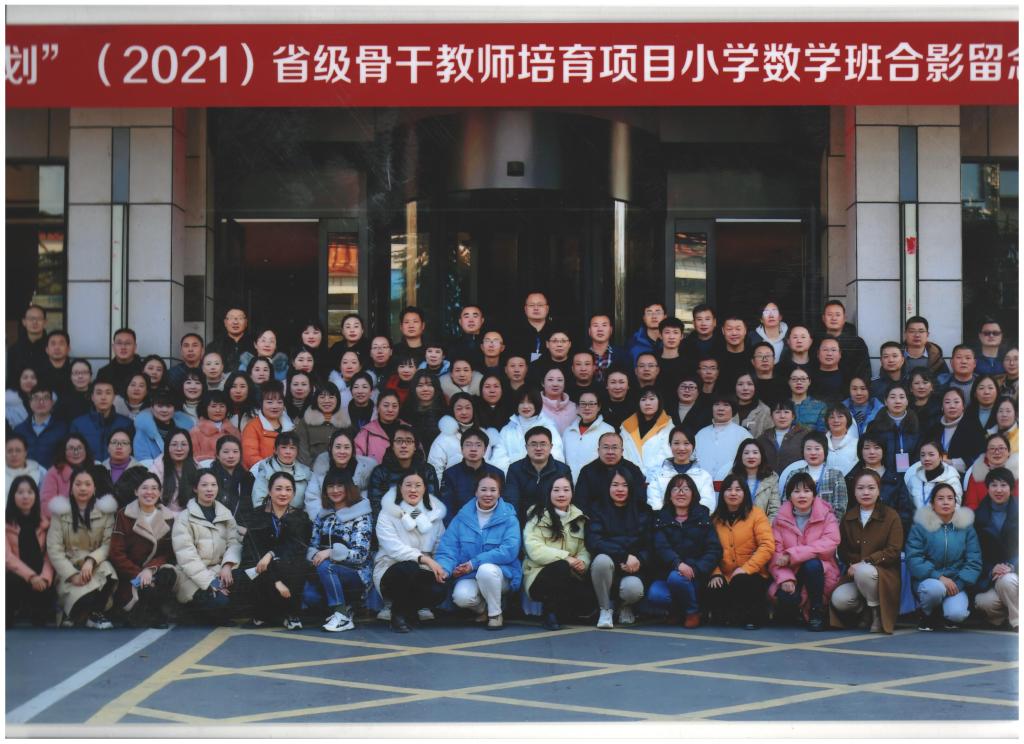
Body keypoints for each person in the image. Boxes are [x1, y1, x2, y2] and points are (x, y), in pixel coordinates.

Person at [435, 472, 522, 630]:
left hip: (501, 575)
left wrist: (473, 563)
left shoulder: (510, 518)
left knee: (485, 569)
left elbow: (509, 551)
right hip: (469, 575)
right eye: (483, 489)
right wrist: (445, 570)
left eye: (493, 490)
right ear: (476, 492)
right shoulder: (462, 518)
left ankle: (495, 615)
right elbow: (448, 548)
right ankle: (483, 609)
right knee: (461, 597)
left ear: (499, 493)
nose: (488, 494)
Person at [830, 469, 905, 634]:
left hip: (883, 573)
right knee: (839, 600)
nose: (866, 492)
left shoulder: (891, 516)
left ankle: (876, 613)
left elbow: (893, 550)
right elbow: (842, 550)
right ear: (854, 491)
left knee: (864, 571)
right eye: (860, 488)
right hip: (856, 573)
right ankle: (865, 610)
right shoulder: (848, 517)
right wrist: (853, 563)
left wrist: (866, 561)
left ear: (879, 490)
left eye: (871, 488)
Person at [374, 471, 449, 633]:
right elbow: (393, 548)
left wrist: (441, 568)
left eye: (418, 485)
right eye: (408, 485)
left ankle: (411, 609)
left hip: (423, 569)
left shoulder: (433, 515)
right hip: (391, 568)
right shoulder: (387, 513)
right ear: (400, 488)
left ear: (424, 489)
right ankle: (397, 613)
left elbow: (441, 545)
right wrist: (425, 559)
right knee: (409, 567)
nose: (413, 490)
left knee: (440, 588)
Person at [46, 467, 119, 628]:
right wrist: (72, 575)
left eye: (87, 484)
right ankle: (77, 614)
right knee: (84, 597)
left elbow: (108, 543)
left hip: (95, 566)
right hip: (69, 568)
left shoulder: (105, 512)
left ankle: (93, 615)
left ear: (94, 488)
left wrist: (91, 560)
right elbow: (54, 549)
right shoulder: (60, 513)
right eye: (78, 484)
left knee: (108, 572)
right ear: (71, 488)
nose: (83, 488)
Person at [647, 473, 722, 628]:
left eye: (686, 489)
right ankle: (678, 610)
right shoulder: (661, 518)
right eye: (676, 489)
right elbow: (661, 547)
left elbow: (714, 550)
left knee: (677, 578)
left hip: (696, 576)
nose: (681, 493)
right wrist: (678, 564)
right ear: (669, 495)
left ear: (693, 494)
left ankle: (692, 612)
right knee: (656, 594)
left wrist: (696, 569)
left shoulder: (703, 518)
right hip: (669, 574)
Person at [522, 476, 596, 630]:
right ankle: (549, 613)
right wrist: (566, 558)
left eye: (566, 490)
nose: (561, 494)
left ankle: (562, 611)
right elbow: (534, 549)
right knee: (561, 566)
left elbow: (584, 548)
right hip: (539, 576)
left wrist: (583, 562)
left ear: (572, 493)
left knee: (588, 603)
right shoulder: (537, 515)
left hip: (571, 574)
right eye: (556, 490)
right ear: (549, 492)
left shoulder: (580, 518)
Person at [768, 473, 840, 631]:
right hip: (790, 571)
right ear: (789, 496)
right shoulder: (779, 520)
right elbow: (776, 553)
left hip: (820, 572)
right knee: (786, 598)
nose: (802, 495)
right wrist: (785, 578)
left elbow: (829, 544)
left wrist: (792, 555)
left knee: (812, 564)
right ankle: (795, 612)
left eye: (807, 491)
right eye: (796, 491)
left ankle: (816, 612)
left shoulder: (827, 516)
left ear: (814, 494)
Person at [906, 483, 982, 631]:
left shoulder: (966, 528)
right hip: (929, 581)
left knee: (957, 614)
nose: (946, 502)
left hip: (956, 583)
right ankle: (927, 614)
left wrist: (958, 583)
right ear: (932, 503)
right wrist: (939, 577)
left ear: (956, 502)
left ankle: (943, 614)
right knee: (935, 589)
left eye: (950, 498)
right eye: (940, 498)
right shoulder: (920, 527)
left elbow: (974, 560)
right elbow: (914, 558)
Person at [304, 470, 372, 632]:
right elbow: (313, 546)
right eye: (330, 486)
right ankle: (346, 608)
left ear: (349, 487)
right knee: (310, 596)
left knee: (326, 566)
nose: (335, 490)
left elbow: (361, 555)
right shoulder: (323, 515)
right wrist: (316, 556)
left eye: (340, 485)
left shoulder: (361, 514)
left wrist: (330, 553)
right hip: (327, 573)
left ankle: (342, 616)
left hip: (356, 574)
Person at [171, 470, 242, 623]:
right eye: (204, 485)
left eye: (213, 485)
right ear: (195, 488)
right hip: (193, 577)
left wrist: (228, 565)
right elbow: (187, 558)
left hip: (219, 570)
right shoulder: (184, 518)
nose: (209, 489)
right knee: (221, 604)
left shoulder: (225, 514)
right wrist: (211, 582)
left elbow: (234, 542)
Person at [109, 473, 178, 628]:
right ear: (136, 491)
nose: (149, 492)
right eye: (144, 488)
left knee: (168, 574)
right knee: (140, 596)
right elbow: (116, 553)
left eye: (154, 488)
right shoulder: (124, 515)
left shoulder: (167, 517)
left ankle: (155, 614)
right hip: (129, 573)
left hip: (154, 570)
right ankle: (148, 614)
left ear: (159, 492)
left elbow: (168, 553)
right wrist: (138, 573)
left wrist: (150, 570)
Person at [705, 475, 775, 629]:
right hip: (724, 573)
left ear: (745, 493)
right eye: (729, 489)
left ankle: (753, 616)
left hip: (752, 573)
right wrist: (715, 573)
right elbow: (708, 549)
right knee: (715, 588)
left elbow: (767, 545)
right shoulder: (715, 519)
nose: (733, 493)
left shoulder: (756, 514)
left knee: (742, 582)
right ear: (722, 494)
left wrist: (746, 569)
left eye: (738, 489)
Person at [586, 468, 651, 629]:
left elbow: (649, 544)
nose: (620, 489)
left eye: (624, 485)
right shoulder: (597, 509)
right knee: (601, 560)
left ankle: (624, 606)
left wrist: (639, 560)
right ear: (607, 487)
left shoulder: (643, 510)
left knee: (633, 590)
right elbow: (594, 541)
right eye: (615, 485)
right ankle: (605, 609)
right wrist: (623, 556)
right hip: (608, 565)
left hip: (632, 568)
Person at [972, 468, 1018, 630]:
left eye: (1003, 485)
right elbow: (975, 554)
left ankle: (1017, 622)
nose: (999, 490)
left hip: (1016, 573)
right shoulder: (977, 516)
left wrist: (1012, 566)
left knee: (1007, 580)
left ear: (1011, 488)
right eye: (994, 485)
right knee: (984, 602)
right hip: (993, 576)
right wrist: (992, 569)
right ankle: (1005, 617)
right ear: (987, 488)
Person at [6, 476, 55, 627]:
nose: (25, 496)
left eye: (30, 492)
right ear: (12, 496)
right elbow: (7, 557)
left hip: (40, 577)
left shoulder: (45, 523)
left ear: (36, 495)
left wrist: (45, 578)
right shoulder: (4, 523)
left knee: (41, 622)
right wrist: (31, 577)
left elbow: (50, 555)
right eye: (20, 492)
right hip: (14, 576)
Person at [367, 425, 439, 524]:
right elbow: (376, 506)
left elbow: (431, 502)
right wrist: (398, 523)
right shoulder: (380, 472)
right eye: (399, 441)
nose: (403, 445)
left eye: (409, 441)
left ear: (415, 446)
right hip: (389, 525)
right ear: (392, 446)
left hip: (420, 523)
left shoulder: (427, 470)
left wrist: (409, 520)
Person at [847, 435, 915, 541]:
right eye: (867, 448)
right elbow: (848, 511)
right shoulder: (851, 478)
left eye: (877, 447)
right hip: (858, 537)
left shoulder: (896, 479)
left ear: (884, 450)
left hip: (890, 536)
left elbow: (905, 513)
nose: (872, 452)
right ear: (860, 451)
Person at [504, 426, 573, 524]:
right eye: (533, 444)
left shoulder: (562, 470)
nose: (538, 448)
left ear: (551, 447)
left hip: (554, 523)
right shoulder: (515, 469)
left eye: (543, 444)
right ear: (526, 447)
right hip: (523, 522)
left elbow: (566, 502)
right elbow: (512, 501)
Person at [427, 394, 499, 484]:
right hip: (453, 488)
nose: (464, 412)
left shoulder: (484, 435)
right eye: (459, 408)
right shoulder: (443, 439)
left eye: (468, 408)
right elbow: (435, 470)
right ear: (452, 411)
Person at [306, 430, 377, 520]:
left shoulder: (366, 468)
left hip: (357, 519)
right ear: (330, 448)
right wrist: (322, 521)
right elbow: (312, 497)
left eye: (346, 447)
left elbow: (369, 499)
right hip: (326, 519)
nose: (342, 451)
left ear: (353, 449)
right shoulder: (322, 465)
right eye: (338, 447)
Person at [439, 429, 505, 524]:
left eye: (478, 445)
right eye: (468, 444)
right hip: (460, 527)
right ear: (462, 448)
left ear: (485, 450)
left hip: (490, 526)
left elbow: (502, 507)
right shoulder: (450, 474)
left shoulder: (497, 473)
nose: (473, 449)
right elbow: (447, 509)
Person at [778, 431, 850, 517]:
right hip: (798, 522)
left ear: (825, 451)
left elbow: (840, 507)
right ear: (803, 451)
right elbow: (786, 502)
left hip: (827, 523)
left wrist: (828, 524)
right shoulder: (794, 474)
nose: (813, 452)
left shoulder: (836, 475)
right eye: (808, 449)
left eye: (817, 448)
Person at [492, 388, 564, 471]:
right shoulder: (507, 430)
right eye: (521, 402)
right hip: (513, 477)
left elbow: (556, 456)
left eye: (530, 402)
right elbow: (499, 459)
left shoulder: (549, 427)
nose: (525, 406)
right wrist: (514, 475)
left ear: (537, 403)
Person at [575, 431, 647, 514]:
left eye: (614, 447)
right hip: (595, 518)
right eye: (606, 447)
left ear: (622, 451)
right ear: (598, 450)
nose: (610, 452)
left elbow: (640, 500)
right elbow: (581, 503)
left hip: (628, 517)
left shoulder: (633, 470)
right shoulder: (587, 471)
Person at [647, 427, 716, 512]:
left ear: (693, 446)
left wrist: (688, 517)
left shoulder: (704, 476)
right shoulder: (657, 475)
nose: (681, 448)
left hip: (696, 520)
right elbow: (654, 504)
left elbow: (707, 504)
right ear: (670, 445)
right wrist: (667, 518)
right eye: (676, 443)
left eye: (686, 443)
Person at [70, 379, 134, 460]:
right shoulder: (78, 424)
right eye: (99, 393)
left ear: (114, 397)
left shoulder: (126, 424)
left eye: (108, 393)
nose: (103, 397)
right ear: (92, 397)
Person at [694, 396, 752, 484]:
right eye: (717, 404)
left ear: (733, 410)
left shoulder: (743, 435)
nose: (721, 408)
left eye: (726, 405)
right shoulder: (701, 434)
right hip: (701, 486)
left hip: (733, 487)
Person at [866, 385, 921, 475]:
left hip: (911, 475)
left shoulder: (916, 425)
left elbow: (919, 454)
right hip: (881, 475)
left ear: (907, 401)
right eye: (892, 397)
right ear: (885, 401)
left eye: (902, 397)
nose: (897, 401)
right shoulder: (874, 426)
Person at [250, 431, 311, 511]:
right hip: (271, 516)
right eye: (284, 447)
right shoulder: (265, 471)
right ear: (275, 450)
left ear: (297, 451)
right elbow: (258, 502)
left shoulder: (306, 473)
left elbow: (311, 502)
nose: (288, 452)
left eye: (292, 448)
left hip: (299, 516)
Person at [562, 390, 615, 483]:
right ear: (577, 407)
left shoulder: (608, 431)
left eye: (591, 404)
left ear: (599, 407)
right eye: (583, 404)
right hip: (569, 486)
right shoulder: (568, 432)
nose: (587, 408)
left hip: (596, 485)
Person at [620, 387, 674, 478]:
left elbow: (667, 454)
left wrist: (647, 474)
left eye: (652, 399)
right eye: (643, 399)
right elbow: (623, 452)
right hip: (629, 477)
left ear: (659, 402)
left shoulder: (669, 427)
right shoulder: (627, 427)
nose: (647, 403)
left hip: (658, 478)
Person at [13, 381, 68, 469]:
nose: (41, 402)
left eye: (46, 398)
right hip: (24, 475)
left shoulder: (62, 429)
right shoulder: (19, 430)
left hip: (52, 476)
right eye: (36, 398)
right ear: (30, 402)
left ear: (52, 403)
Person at [294, 382, 349, 469]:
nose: (326, 401)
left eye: (331, 397)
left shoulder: (346, 422)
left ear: (337, 399)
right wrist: (313, 470)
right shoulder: (306, 422)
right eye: (322, 397)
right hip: (312, 471)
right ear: (316, 399)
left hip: (341, 470)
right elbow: (302, 452)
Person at [132, 387, 194, 462]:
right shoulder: (143, 432)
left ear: (174, 409)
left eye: (168, 406)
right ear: (152, 408)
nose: (164, 410)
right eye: (160, 406)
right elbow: (143, 461)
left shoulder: (186, 430)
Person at [241, 380, 293, 469]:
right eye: (269, 402)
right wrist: (272, 470)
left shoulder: (290, 427)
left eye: (279, 402)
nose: (275, 406)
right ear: (261, 404)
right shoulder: (252, 427)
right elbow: (250, 457)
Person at [40, 434, 93, 519]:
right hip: (62, 522)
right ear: (64, 451)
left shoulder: (96, 469)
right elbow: (46, 504)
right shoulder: (54, 472)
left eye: (79, 448)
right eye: (71, 448)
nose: (76, 452)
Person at [817, 300, 871, 383]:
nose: (834, 318)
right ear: (823, 318)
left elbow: (864, 372)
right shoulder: (816, 341)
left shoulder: (857, 343)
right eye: (830, 314)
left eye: (838, 315)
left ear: (844, 318)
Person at [149, 429, 200, 514]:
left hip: (191, 517)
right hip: (162, 516)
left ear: (190, 447)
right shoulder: (155, 469)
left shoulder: (197, 468)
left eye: (183, 444)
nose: (179, 449)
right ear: (167, 447)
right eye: (174, 444)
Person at [903, 439, 964, 511]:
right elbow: (908, 508)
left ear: (940, 457)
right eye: (923, 455)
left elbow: (955, 509)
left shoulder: (952, 480)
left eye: (931, 454)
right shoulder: (913, 480)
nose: (926, 458)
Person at [962, 433, 1017, 510]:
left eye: (1001, 448)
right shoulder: (977, 474)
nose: (997, 452)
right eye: (992, 448)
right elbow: (971, 504)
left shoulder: (1018, 474)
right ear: (986, 453)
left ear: (1009, 452)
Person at [730, 438, 781, 521]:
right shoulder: (732, 477)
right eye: (746, 453)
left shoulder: (772, 478)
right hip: (737, 525)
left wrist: (764, 527)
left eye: (755, 452)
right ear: (740, 456)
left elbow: (775, 511)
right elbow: (726, 507)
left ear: (762, 456)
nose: (751, 456)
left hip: (763, 525)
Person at [208, 435, 254, 525]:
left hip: (244, 526)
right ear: (217, 455)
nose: (231, 456)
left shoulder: (247, 478)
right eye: (226, 452)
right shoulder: (210, 477)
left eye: (235, 452)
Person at [189, 391, 242, 464]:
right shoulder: (195, 432)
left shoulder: (233, 431)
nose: (218, 410)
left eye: (222, 406)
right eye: (213, 406)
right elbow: (193, 459)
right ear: (205, 408)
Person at [400, 370, 447, 453]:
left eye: (429, 385)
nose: (425, 389)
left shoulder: (445, 414)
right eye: (420, 385)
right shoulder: (405, 413)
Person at [757, 400, 807, 474]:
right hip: (769, 480)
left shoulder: (804, 436)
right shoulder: (763, 438)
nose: (782, 416)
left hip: (796, 479)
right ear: (771, 416)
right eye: (777, 412)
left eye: (786, 412)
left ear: (793, 416)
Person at [354, 391, 404, 465]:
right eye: (386, 405)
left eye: (394, 406)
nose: (390, 410)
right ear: (377, 408)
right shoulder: (366, 433)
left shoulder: (408, 430)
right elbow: (357, 461)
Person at [6, 304, 48, 389]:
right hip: (18, 394)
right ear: (24, 322)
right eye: (31, 319)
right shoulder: (13, 350)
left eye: (39, 319)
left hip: (46, 394)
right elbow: (10, 378)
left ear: (45, 322)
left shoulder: (51, 348)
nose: (35, 322)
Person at [96, 327, 145, 396]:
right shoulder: (104, 373)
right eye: (119, 343)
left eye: (128, 343)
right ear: (113, 347)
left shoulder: (144, 370)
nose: (123, 347)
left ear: (135, 347)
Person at [205, 307, 254, 375]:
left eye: (240, 318)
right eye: (231, 318)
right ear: (225, 322)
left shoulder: (255, 345)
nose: (235, 322)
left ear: (246, 322)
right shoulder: (214, 346)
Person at [679, 304, 725, 372]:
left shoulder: (724, 343)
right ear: (694, 323)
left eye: (707, 319)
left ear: (714, 322)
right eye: (699, 319)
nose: (703, 323)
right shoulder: (685, 345)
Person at [585, 314, 630, 383]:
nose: (600, 329)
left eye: (604, 325)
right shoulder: (582, 355)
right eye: (595, 325)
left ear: (611, 330)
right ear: (589, 331)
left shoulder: (623, 355)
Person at [538, 367, 577, 435]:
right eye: (550, 380)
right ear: (543, 383)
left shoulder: (574, 408)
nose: (555, 384)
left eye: (559, 380)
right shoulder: (536, 406)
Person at [786, 368, 826, 432]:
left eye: (803, 379)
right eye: (794, 379)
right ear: (789, 382)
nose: (799, 382)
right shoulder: (782, 406)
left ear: (809, 382)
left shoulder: (820, 406)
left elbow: (822, 431)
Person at [734, 372, 773, 438]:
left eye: (750, 384)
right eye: (740, 384)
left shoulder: (765, 411)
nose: (745, 388)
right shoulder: (726, 409)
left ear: (756, 386)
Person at [824, 404, 860, 476]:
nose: (836, 420)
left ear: (848, 419)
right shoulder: (820, 442)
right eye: (832, 417)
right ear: (827, 421)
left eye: (840, 416)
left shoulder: (857, 443)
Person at [627, 300, 666, 366]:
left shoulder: (671, 341)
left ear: (665, 317)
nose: (654, 316)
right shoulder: (633, 343)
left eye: (658, 312)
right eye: (649, 313)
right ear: (644, 318)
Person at [810, 337, 846, 405]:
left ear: (840, 354)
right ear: (818, 353)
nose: (829, 353)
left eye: (833, 350)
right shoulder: (809, 377)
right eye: (825, 349)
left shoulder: (847, 378)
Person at [908, 369, 942, 434]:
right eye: (916, 383)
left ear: (932, 387)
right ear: (911, 388)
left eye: (925, 382)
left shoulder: (940, 408)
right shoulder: (905, 409)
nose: (921, 387)